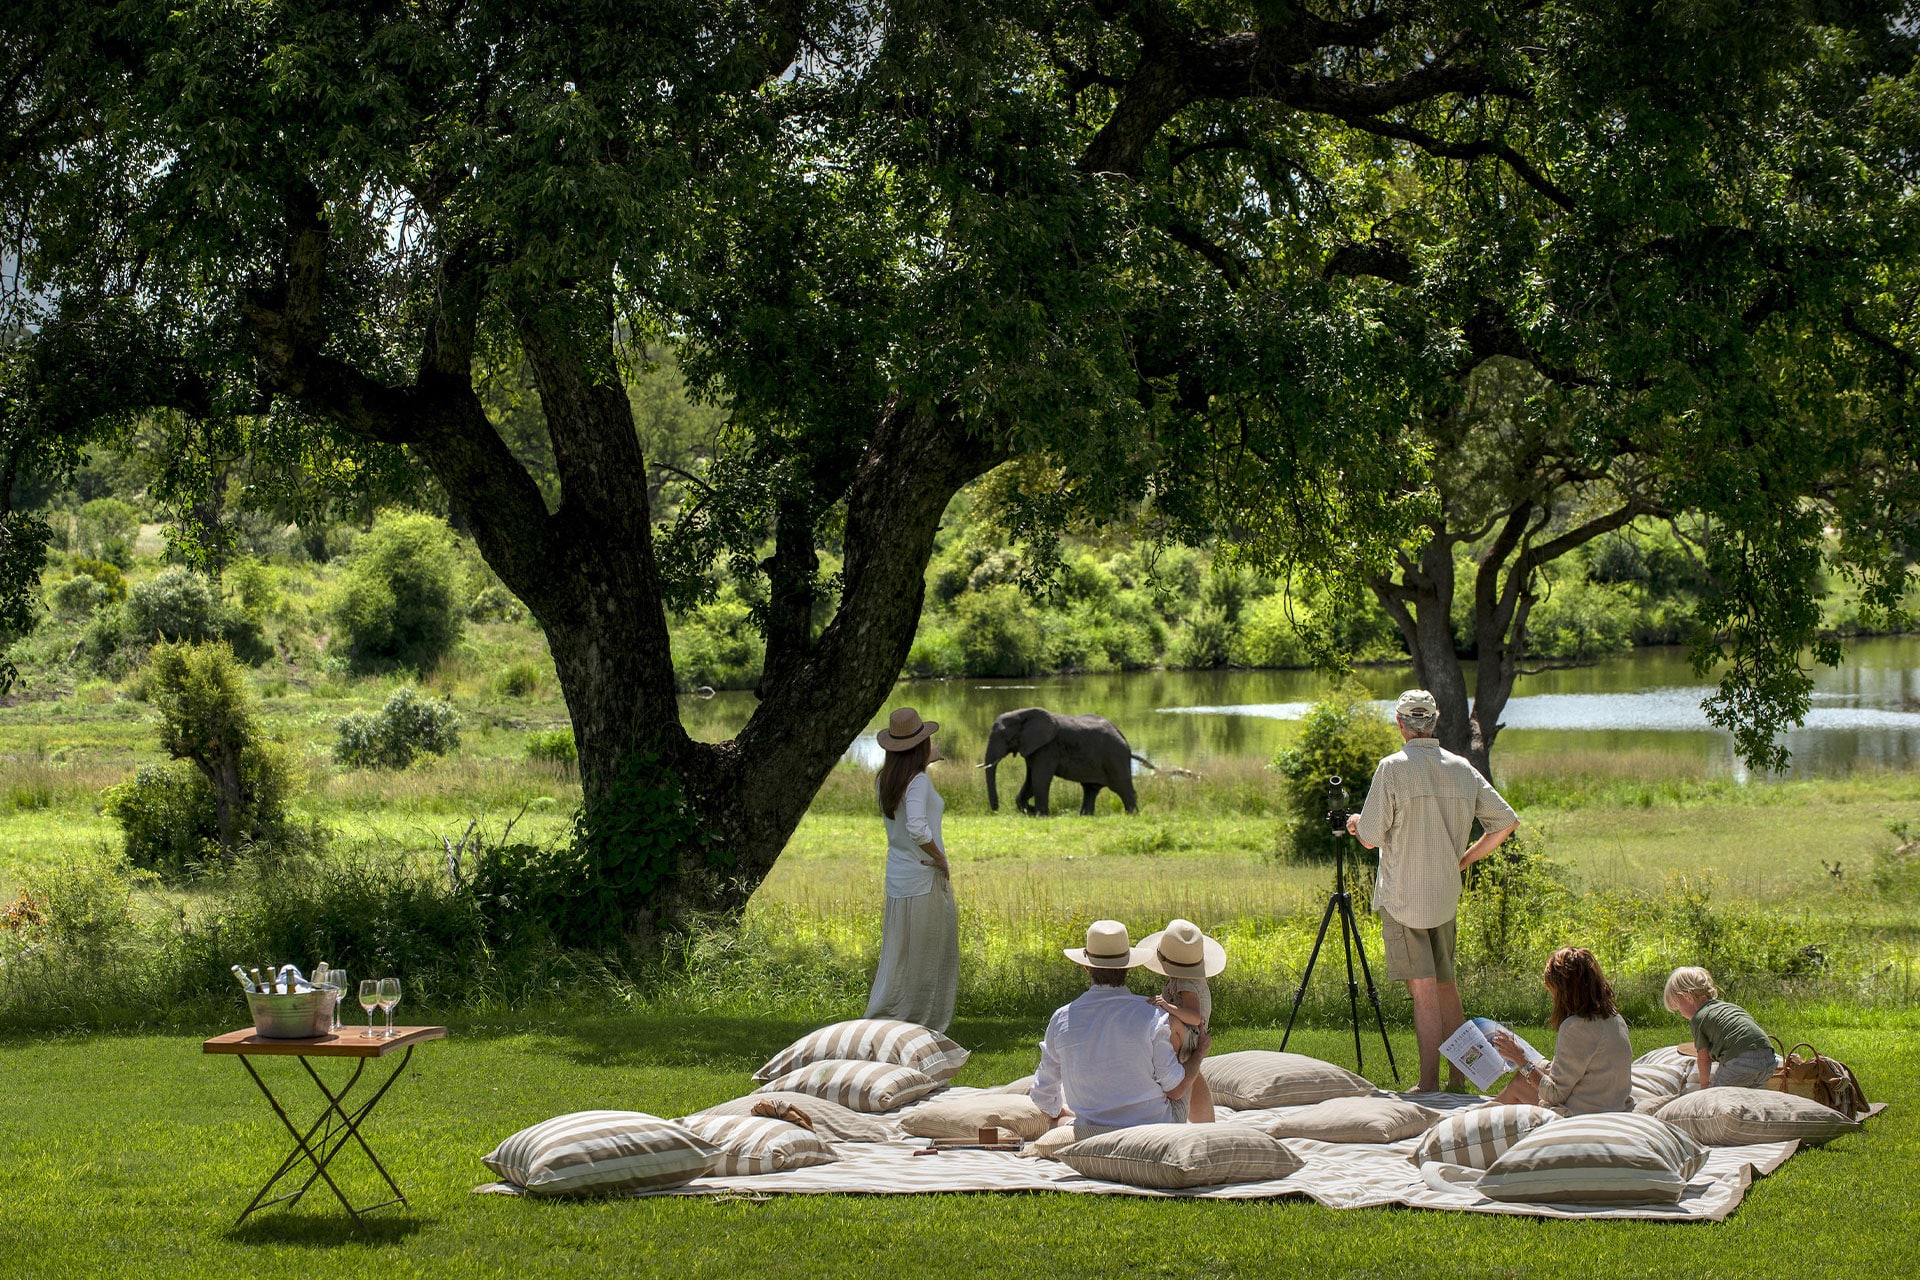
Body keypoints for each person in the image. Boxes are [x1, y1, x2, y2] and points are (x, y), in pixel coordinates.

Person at [1347, 689, 1519, 1092]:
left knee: (1423, 993)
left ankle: (1428, 1086)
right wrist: (1461, 861)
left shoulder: (1392, 768)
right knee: (1446, 988)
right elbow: (1505, 823)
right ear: (1435, 721)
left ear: (1400, 724)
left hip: (1404, 899)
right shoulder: (1461, 768)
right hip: (1444, 896)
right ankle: (1458, 1079)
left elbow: (1371, 838)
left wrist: (1356, 824)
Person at [1031, 920, 1211, 1138]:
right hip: (1152, 1129)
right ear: (1128, 967)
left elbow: (1042, 1096)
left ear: (1086, 966)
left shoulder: (1061, 1019)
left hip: (1092, 1129)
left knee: (1058, 1121)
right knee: (1186, 1060)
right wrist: (1198, 1054)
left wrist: (1059, 1113)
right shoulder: (1154, 1015)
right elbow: (1176, 1089)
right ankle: (1210, 1130)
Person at [865, 707, 959, 1032]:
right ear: (919, 745)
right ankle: (920, 1023)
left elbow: (905, 821)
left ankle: (887, 1016)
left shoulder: (888, 779)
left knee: (898, 955)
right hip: (923, 876)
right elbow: (918, 828)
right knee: (928, 955)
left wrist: (923, 761)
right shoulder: (916, 781)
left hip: (899, 876)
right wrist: (941, 858)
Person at [1489, 946, 1633, 1115]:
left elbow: (1555, 1095)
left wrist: (1520, 1060)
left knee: (1521, 1081)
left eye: (1553, 992)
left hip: (1585, 1112)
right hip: (1613, 1104)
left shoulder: (1576, 1027)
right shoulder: (1615, 1019)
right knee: (1538, 1066)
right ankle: (1483, 1113)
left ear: (1564, 992)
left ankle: (1475, 1121)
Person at [1138, 918, 1225, 1124]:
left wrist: (1168, 1007)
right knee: (1192, 1071)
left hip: (1188, 1032)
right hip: (1189, 1035)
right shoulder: (1185, 979)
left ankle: (1166, 1094)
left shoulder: (1186, 983)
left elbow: (1194, 1017)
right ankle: (1206, 1123)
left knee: (1172, 1042)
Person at [1663, 966, 1779, 1089]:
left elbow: (1704, 1059)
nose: (1680, 1013)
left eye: (1678, 1007)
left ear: (1688, 997)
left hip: (1741, 1061)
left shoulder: (1699, 1019)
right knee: (1749, 1099)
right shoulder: (1728, 1008)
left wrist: (1704, 1086)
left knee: (1717, 1097)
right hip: (1768, 1059)